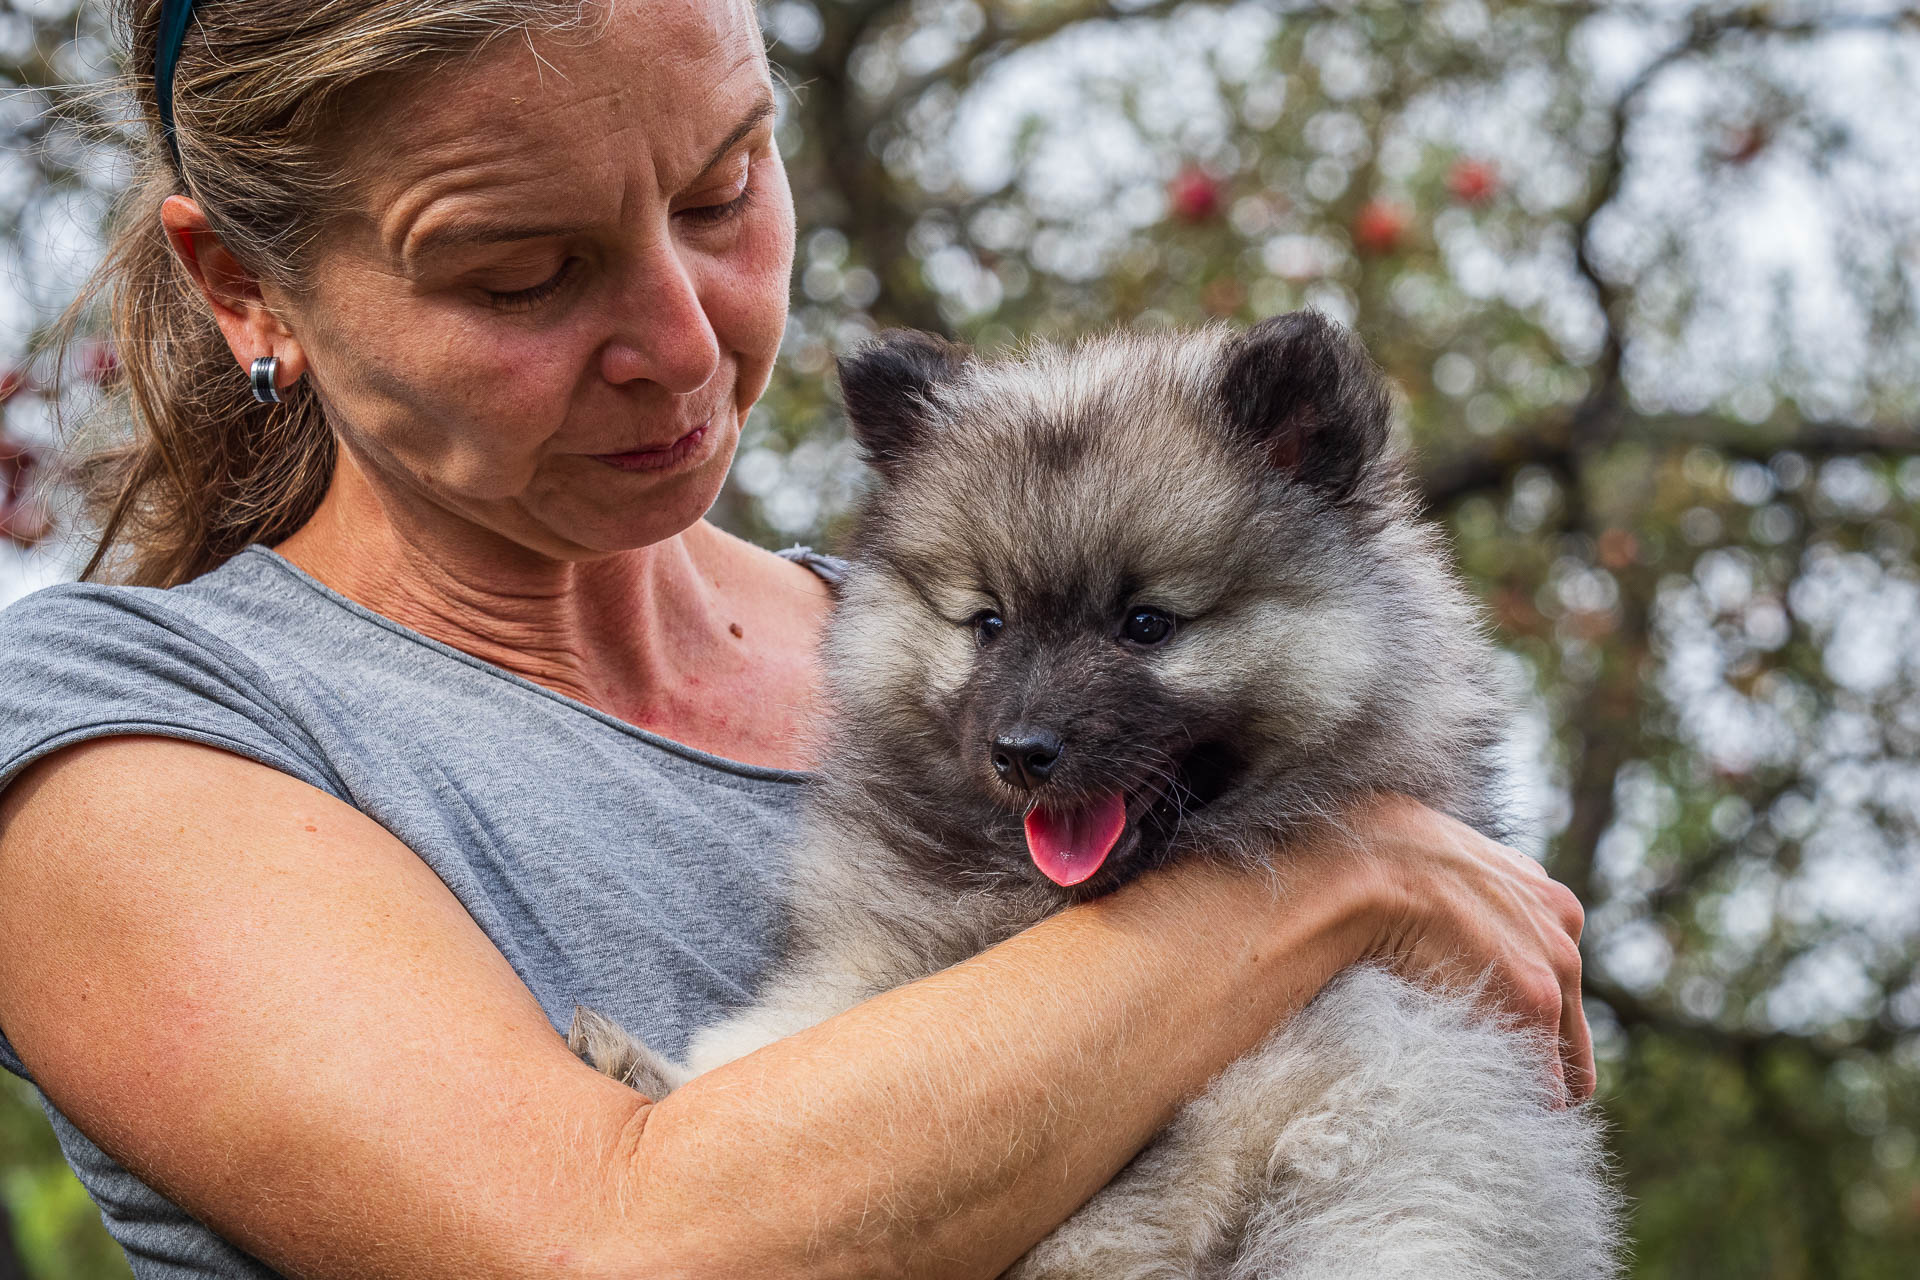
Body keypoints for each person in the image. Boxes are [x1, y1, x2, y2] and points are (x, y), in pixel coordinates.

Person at [0, 0, 1593, 1275]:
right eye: (525, 272)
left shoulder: (916, 619)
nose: (687, 342)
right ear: (244, 289)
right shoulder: (125, 733)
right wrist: (1326, 881)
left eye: (723, 189)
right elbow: (622, 1251)